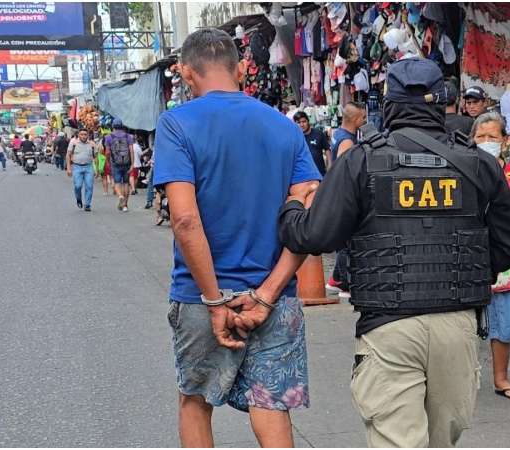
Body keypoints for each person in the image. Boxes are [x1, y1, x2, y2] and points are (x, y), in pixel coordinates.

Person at [277, 57, 510, 447]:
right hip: (456, 326)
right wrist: (464, 266)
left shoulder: (360, 161)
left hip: (388, 328)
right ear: (443, 101)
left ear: (388, 103)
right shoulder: (478, 163)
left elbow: (316, 235)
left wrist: (292, 208)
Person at [152, 28, 322, 448]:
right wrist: (266, 294)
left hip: (200, 295)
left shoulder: (176, 124)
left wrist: (213, 301)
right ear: (243, 69)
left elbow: (186, 221)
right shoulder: (284, 128)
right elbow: (307, 220)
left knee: (195, 403)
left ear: (186, 73)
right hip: (274, 297)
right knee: (271, 407)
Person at [471, 112, 510, 401]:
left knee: (504, 324)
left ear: (505, 141)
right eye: (480, 136)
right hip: (469, 256)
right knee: (462, 324)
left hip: (505, 259)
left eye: (492, 137)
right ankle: (462, 381)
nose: (486, 142)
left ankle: (501, 378)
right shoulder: (463, 169)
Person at [326, 101, 367, 298]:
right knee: (347, 240)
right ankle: (345, 284)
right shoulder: (347, 141)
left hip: (338, 193)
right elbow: (345, 170)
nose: (366, 121)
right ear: (356, 119)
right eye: (364, 117)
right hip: (344, 194)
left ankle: (335, 279)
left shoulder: (338, 134)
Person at [104, 119, 134, 212]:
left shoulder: (108, 137)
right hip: (127, 162)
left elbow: (108, 152)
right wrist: (132, 164)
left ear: (113, 126)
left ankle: (120, 196)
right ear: (122, 126)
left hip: (115, 163)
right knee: (126, 183)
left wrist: (108, 161)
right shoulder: (128, 136)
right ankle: (125, 205)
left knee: (117, 182)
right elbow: (131, 151)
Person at [66, 129, 97, 212]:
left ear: (88, 135)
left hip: (88, 167)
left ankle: (87, 204)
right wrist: (69, 168)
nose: (83, 136)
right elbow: (68, 155)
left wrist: (96, 169)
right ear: (78, 135)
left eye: (85, 134)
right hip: (77, 167)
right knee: (78, 186)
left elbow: (95, 157)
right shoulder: (73, 143)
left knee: (89, 186)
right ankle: (78, 198)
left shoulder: (92, 144)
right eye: (82, 134)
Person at [293, 110, 328, 177]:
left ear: (308, 121)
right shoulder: (295, 138)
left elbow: (327, 150)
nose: (301, 125)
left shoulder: (318, 134)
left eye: (304, 121)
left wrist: (329, 168)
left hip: (320, 174)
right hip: (304, 177)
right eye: (298, 122)